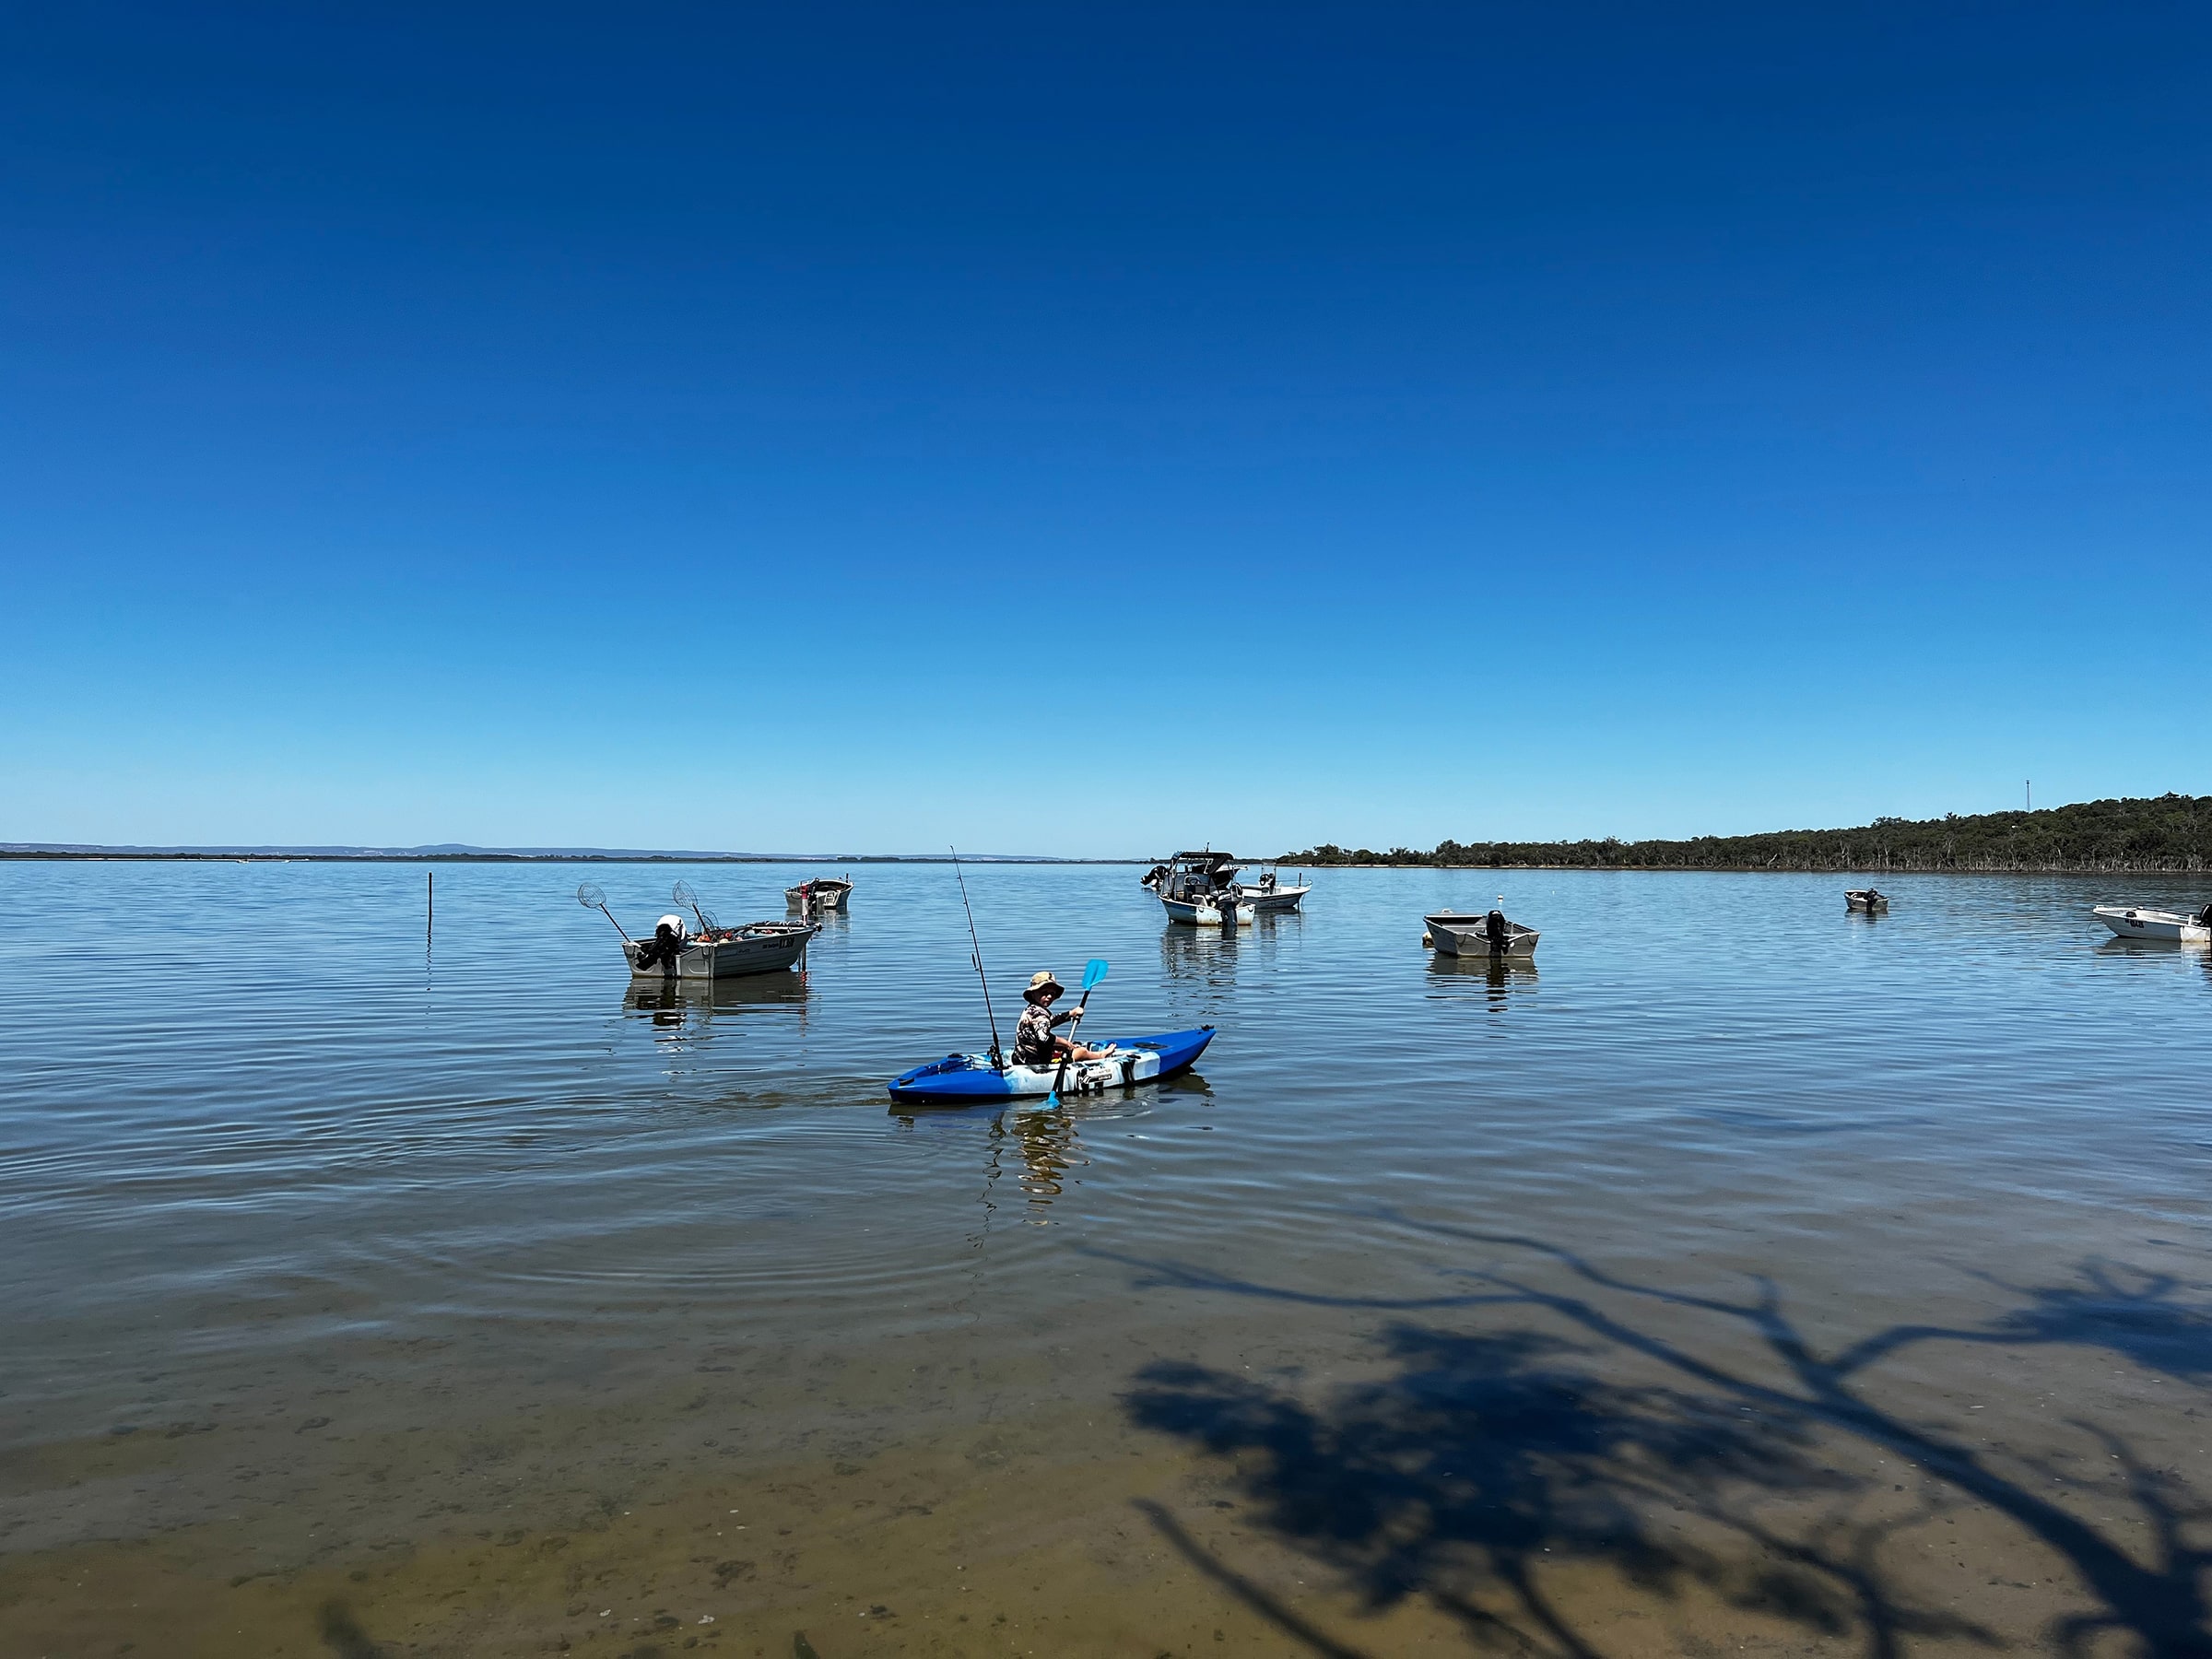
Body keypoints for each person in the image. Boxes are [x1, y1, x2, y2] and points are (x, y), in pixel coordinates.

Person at [1014, 971, 1115, 1067]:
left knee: (1065, 1046)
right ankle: (1101, 1056)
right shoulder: (1040, 1015)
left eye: (1052, 993)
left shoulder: (1031, 1010)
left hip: (1020, 1059)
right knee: (1081, 1052)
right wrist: (1065, 1043)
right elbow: (1044, 1037)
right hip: (1037, 1063)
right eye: (1044, 993)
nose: (1049, 996)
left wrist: (1071, 1013)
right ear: (1033, 993)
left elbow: (1049, 1022)